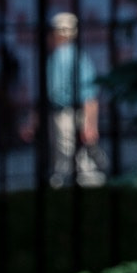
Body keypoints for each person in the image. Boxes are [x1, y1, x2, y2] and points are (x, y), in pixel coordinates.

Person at [44, 11, 104, 188]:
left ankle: (66, 180)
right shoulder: (67, 56)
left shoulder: (69, 56)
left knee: (70, 150)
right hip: (64, 110)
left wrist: (90, 123)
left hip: (69, 111)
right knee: (68, 150)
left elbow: (89, 93)